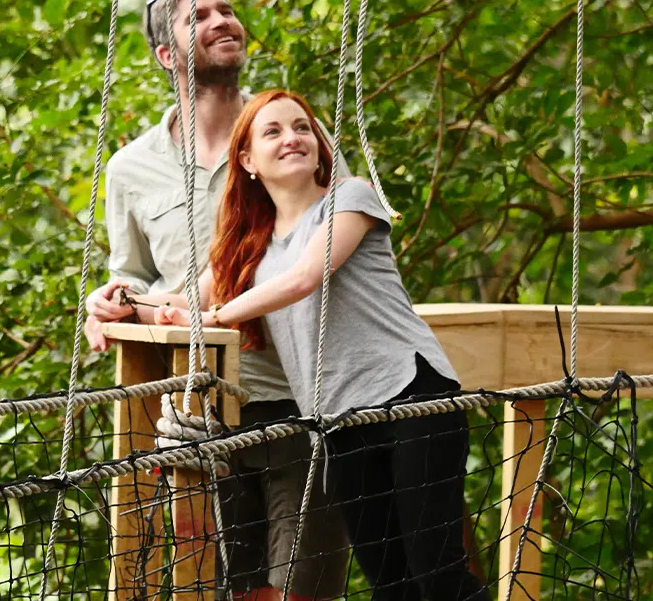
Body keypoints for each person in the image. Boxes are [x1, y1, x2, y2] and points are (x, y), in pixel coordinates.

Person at [111, 89, 489, 601]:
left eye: (302, 127)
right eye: (274, 131)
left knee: (436, 572)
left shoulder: (349, 198)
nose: (293, 138)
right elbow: (176, 300)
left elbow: (305, 278)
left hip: (410, 397)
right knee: (390, 581)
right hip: (338, 421)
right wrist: (123, 302)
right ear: (246, 160)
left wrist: (214, 315)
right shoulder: (249, 243)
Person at [85, 0, 351, 601]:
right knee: (234, 592)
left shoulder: (290, 136)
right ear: (166, 55)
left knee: (303, 593)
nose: (221, 20)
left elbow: (336, 246)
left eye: (227, 10)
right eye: (198, 17)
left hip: (302, 402)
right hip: (197, 414)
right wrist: (111, 298)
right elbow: (137, 273)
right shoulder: (129, 169)